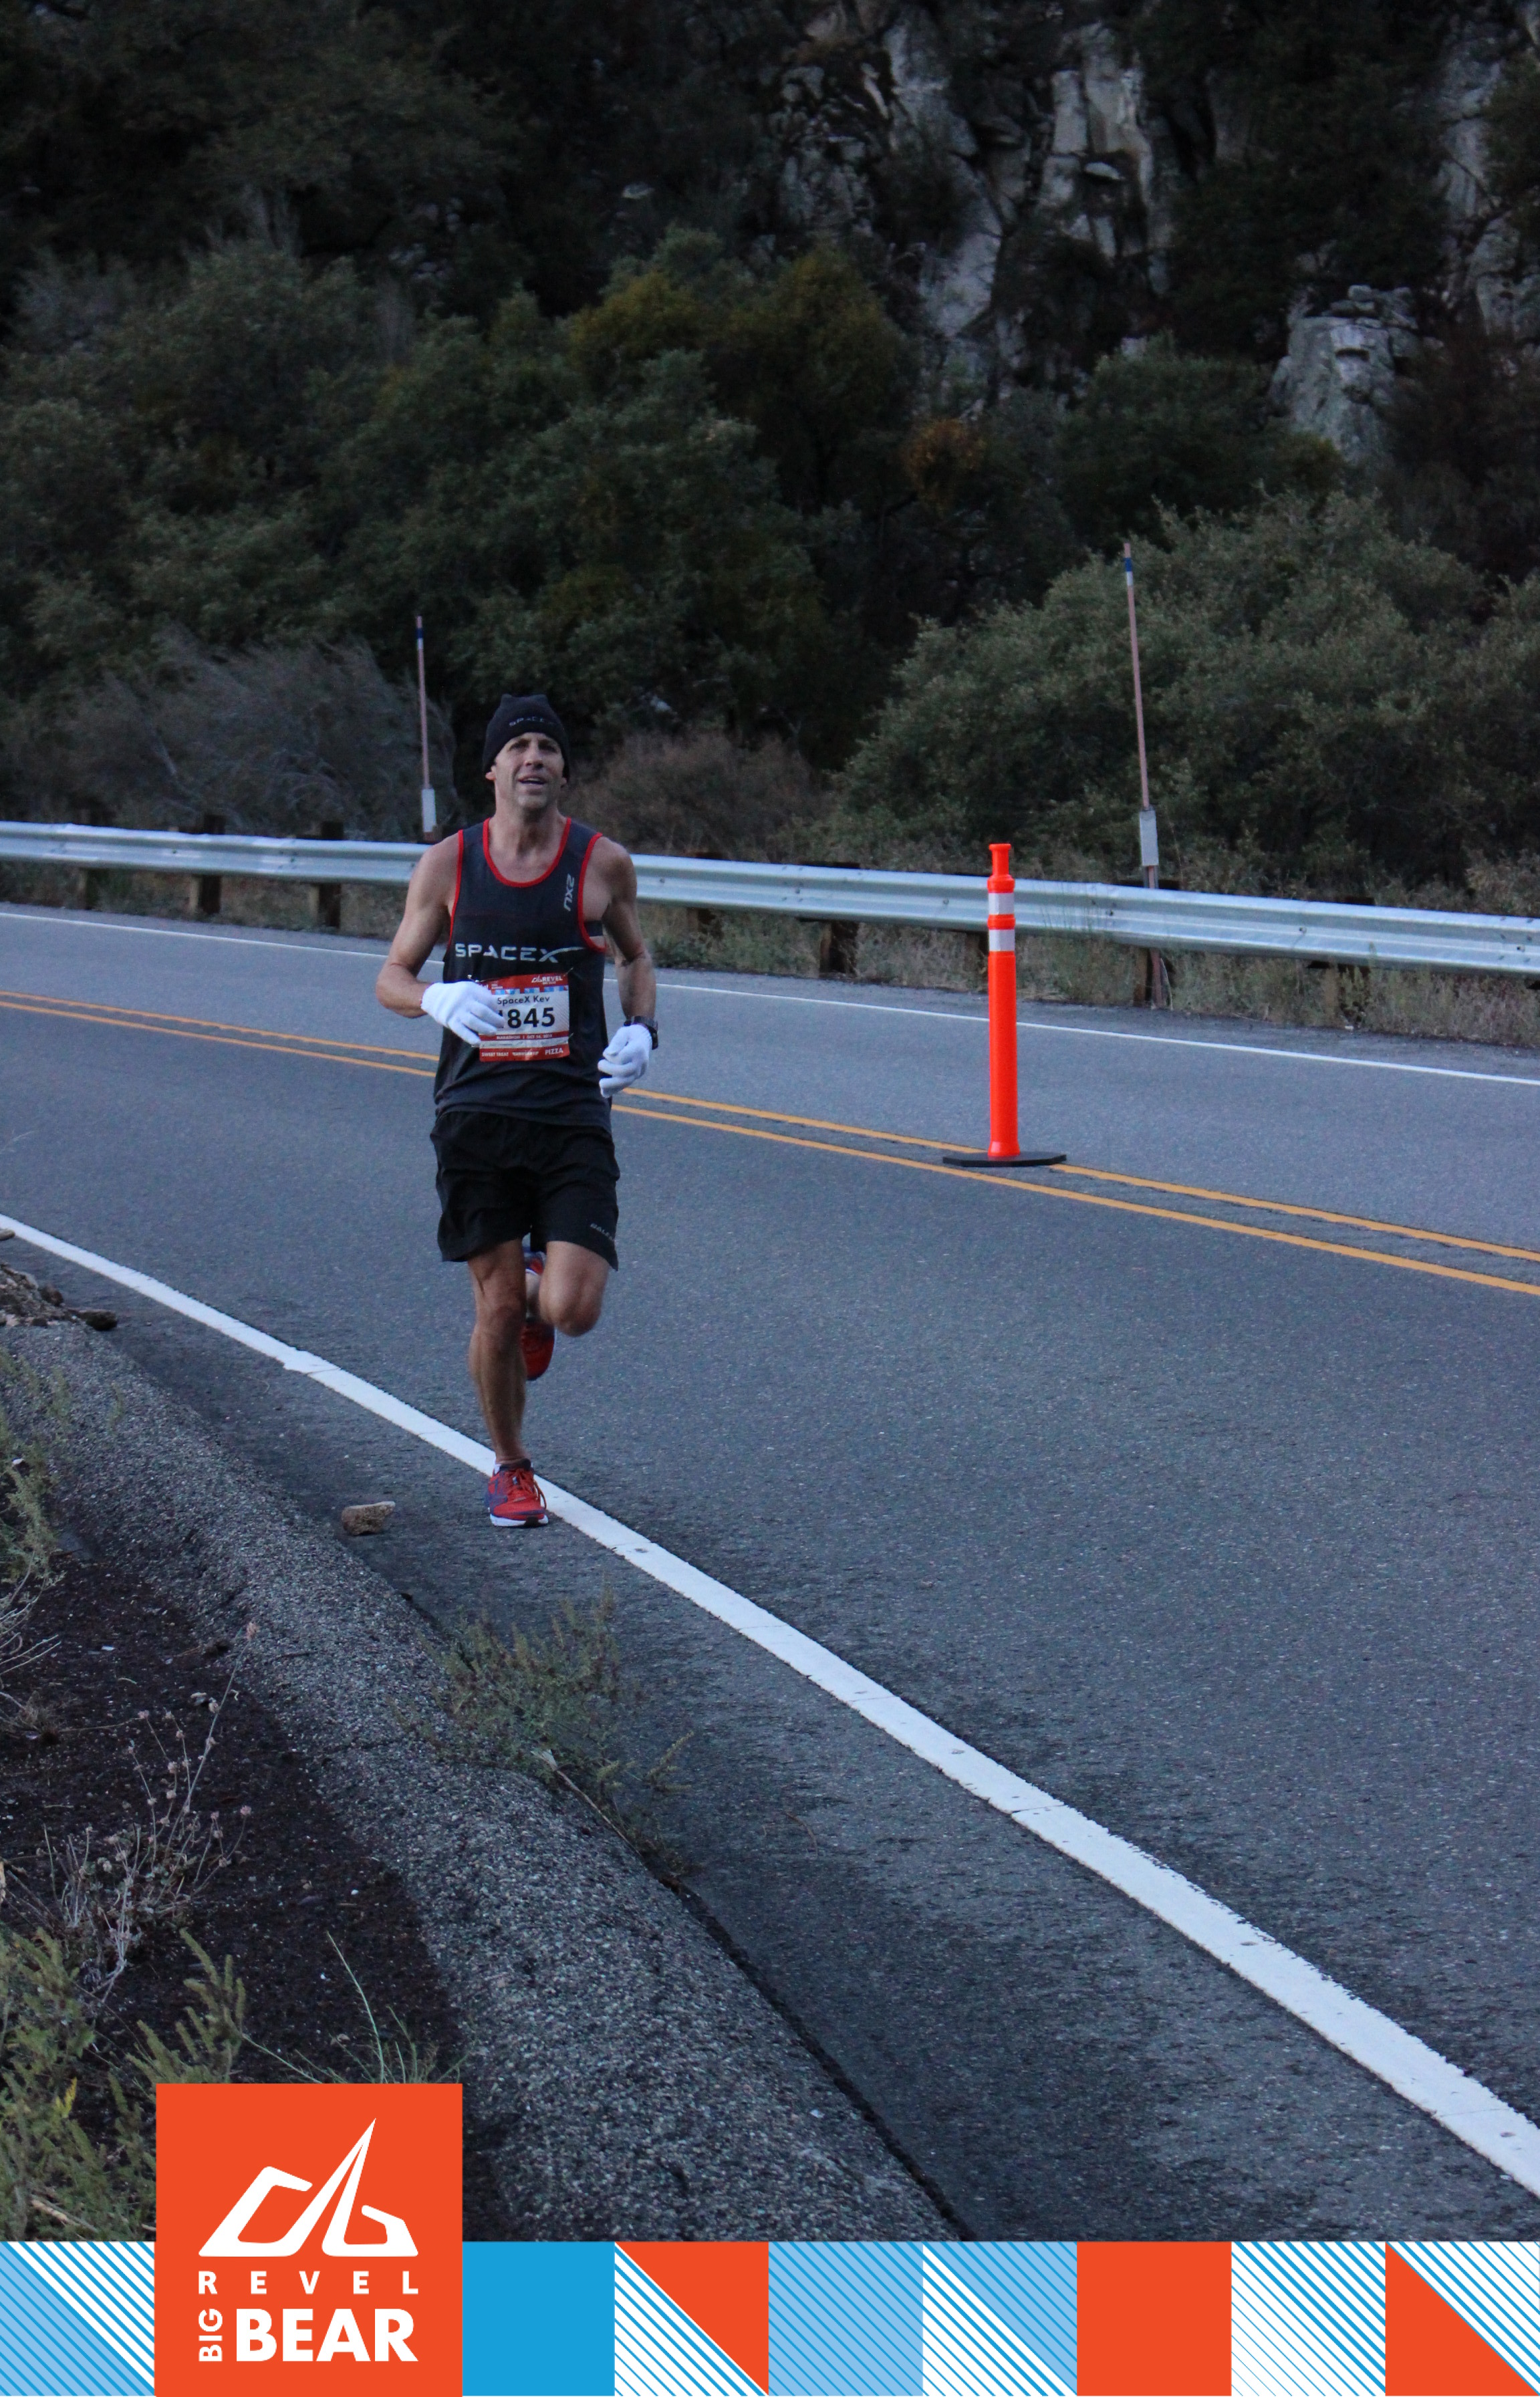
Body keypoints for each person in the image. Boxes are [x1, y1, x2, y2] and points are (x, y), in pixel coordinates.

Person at [376, 693, 657, 1526]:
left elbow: (636, 957)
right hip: (476, 1115)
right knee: (495, 1307)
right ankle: (510, 1466)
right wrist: (433, 998)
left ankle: (543, 1287)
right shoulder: (448, 865)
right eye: (518, 746)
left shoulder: (601, 863)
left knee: (573, 1310)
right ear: (492, 768)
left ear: (564, 770)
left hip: (571, 1113)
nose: (533, 758)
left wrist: (642, 1030)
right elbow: (390, 976)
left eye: (548, 747)